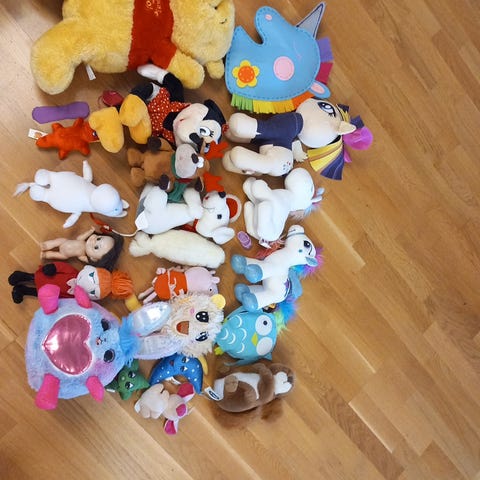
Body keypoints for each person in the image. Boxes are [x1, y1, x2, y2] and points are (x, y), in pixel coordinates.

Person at [40, 227, 124, 270]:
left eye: (96, 247)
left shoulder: (81, 256)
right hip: (64, 242)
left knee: (56, 255)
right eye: (98, 238)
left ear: (93, 258)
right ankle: (46, 245)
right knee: (56, 242)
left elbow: (86, 260)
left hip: (65, 255)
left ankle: (46, 255)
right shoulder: (81, 241)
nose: (93, 241)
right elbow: (80, 237)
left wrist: (90, 263)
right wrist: (90, 231)